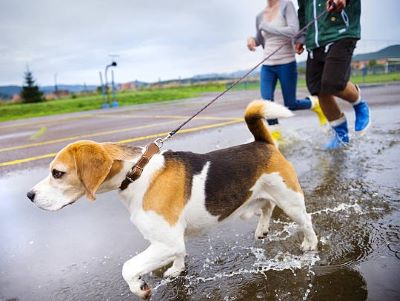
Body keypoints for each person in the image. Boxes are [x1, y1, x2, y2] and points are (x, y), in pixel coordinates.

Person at [247, 0, 327, 144]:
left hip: (286, 63)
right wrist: (252, 40)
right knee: (266, 103)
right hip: (267, 65)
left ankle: (315, 104)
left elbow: (293, 30)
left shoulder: (286, 5)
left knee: (290, 103)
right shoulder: (260, 16)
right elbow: (260, 39)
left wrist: (268, 27)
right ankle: (276, 136)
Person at [296, 0, 370, 149]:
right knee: (317, 89)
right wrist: (301, 37)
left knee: (333, 83)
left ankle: (359, 103)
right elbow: (303, 10)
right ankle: (341, 135)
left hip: (341, 33)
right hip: (315, 41)